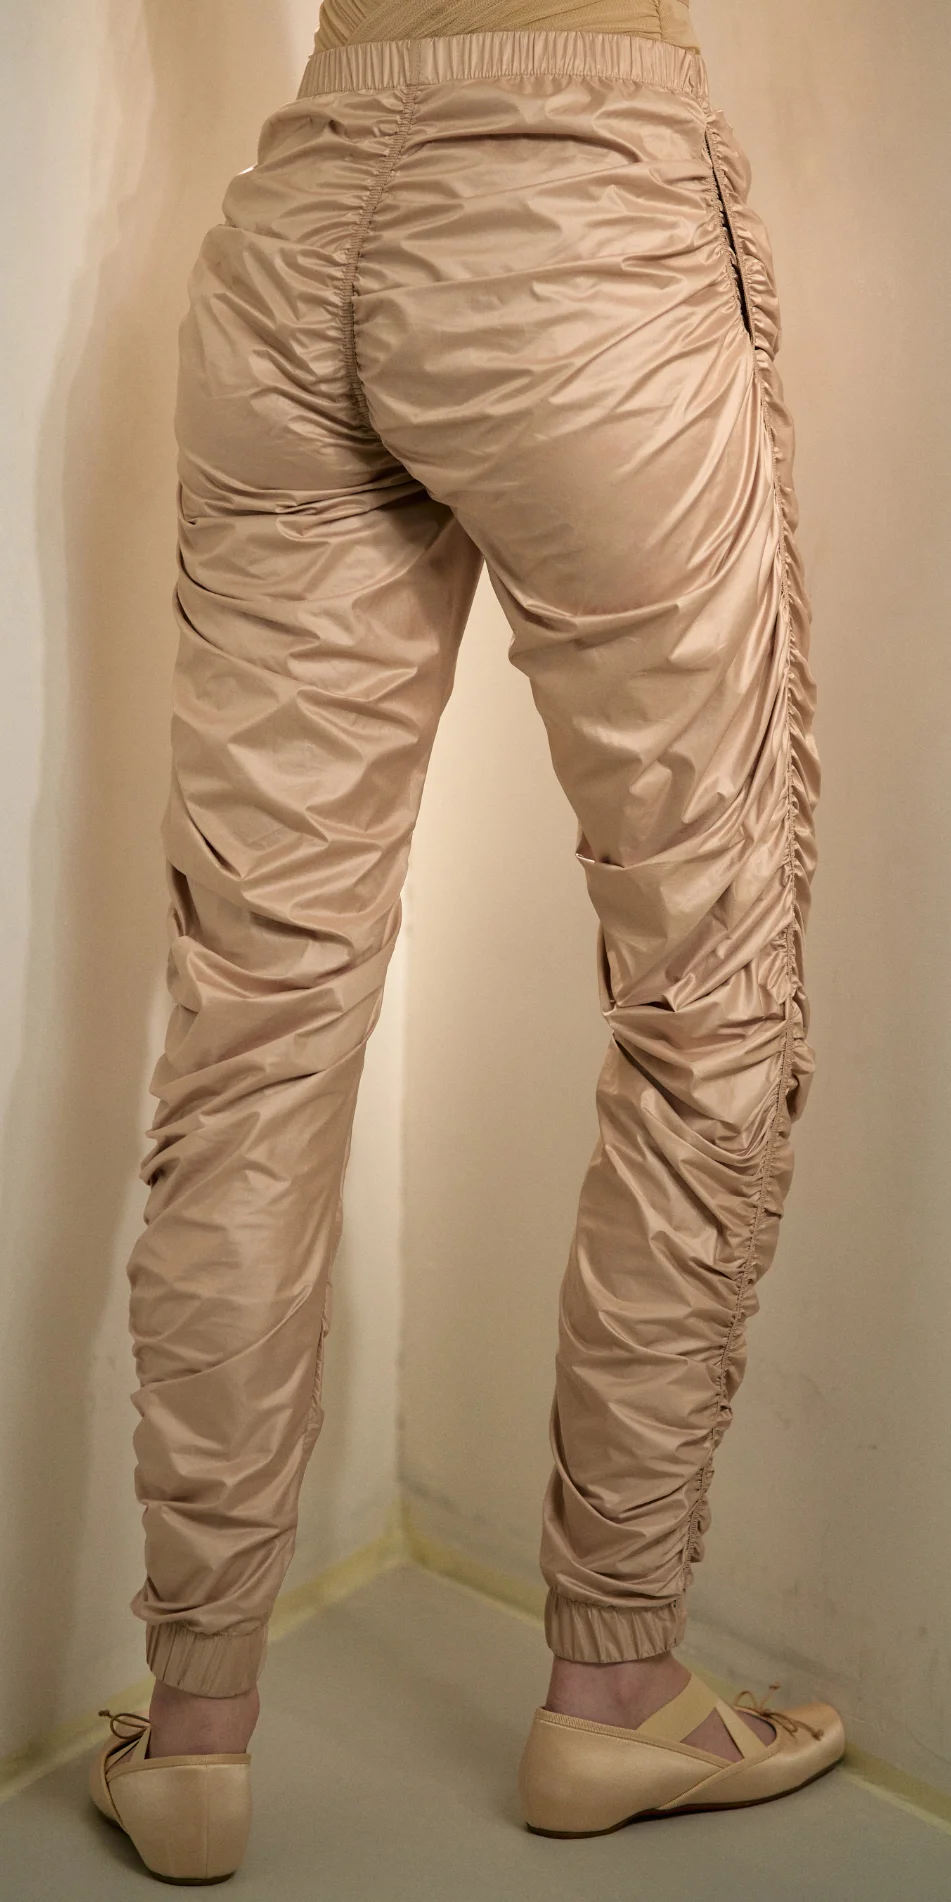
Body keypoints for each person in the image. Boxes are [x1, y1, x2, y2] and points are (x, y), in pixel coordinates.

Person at [90, 0, 845, 1881]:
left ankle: (189, 1736)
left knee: (256, 1012)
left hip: (301, 225)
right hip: (577, 213)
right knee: (706, 981)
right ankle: (616, 1688)